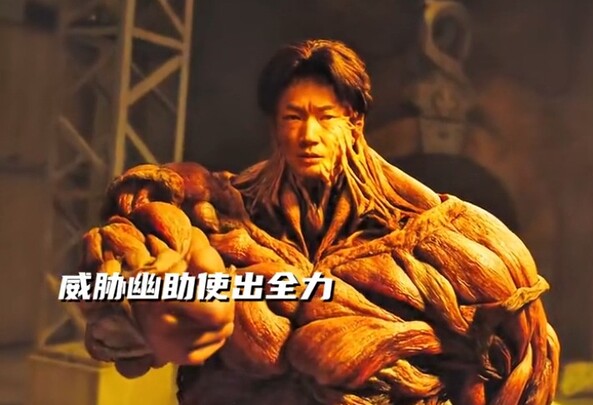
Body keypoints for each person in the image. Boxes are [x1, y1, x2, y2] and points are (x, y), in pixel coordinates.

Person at [77, 39, 560, 405]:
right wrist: (144, 312)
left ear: (354, 121)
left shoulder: (448, 238)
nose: (308, 134)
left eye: (325, 117)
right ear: (275, 124)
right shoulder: (217, 213)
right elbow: (101, 287)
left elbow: (525, 367)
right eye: (293, 117)